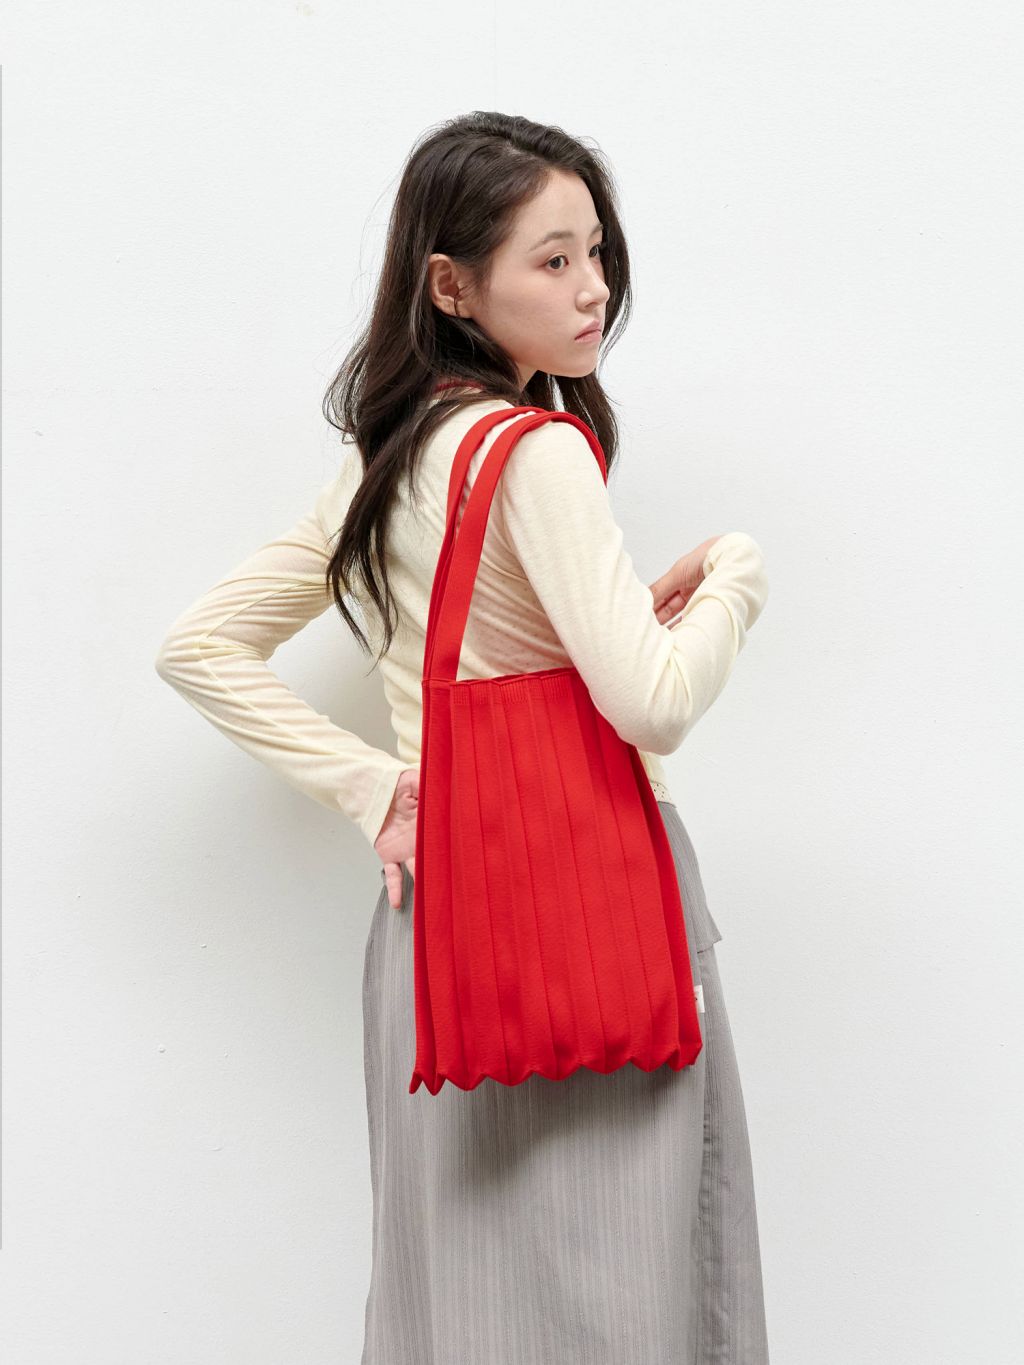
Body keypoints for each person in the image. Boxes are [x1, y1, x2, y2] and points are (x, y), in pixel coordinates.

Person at [155, 110, 771, 1364]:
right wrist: (735, 583)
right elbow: (652, 704)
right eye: (552, 260)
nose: (593, 288)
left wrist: (375, 788)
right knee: (636, 1278)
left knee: (455, 1284)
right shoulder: (538, 454)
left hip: (438, 922)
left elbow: (199, 645)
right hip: (596, 897)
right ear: (451, 285)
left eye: (596, 252)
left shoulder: (384, 460)